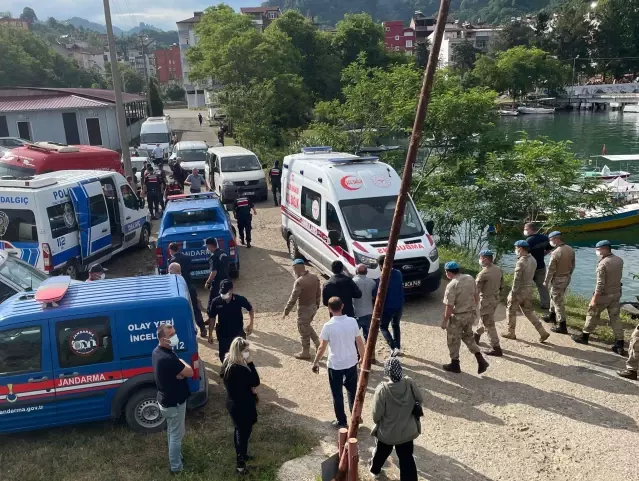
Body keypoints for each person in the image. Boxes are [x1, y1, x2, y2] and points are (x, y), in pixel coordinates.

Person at [312, 297, 365, 428]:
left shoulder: (328, 326)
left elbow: (322, 347)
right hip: (351, 361)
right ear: (342, 306)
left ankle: (342, 421)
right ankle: (355, 417)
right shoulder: (352, 322)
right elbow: (359, 342)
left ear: (329, 309)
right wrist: (362, 357)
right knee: (352, 391)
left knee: (337, 394)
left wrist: (315, 362)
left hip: (335, 364)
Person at [369, 357, 422, 481]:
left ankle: (375, 471)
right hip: (407, 431)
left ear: (387, 371)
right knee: (407, 458)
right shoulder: (409, 383)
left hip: (387, 432)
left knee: (381, 453)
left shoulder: (382, 390)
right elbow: (420, 399)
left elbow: (376, 415)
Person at [152, 323, 193, 475]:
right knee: (177, 434)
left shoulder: (157, 352)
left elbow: (181, 369)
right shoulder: (168, 358)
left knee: (172, 431)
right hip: (174, 403)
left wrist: (179, 370)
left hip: (165, 400)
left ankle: (176, 458)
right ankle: (176, 468)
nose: (175, 337)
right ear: (163, 339)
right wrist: (181, 369)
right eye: (171, 336)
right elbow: (190, 372)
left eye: (174, 333)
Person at [572, 240, 625, 355]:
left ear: (605, 249)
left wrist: (594, 299)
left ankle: (584, 336)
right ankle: (620, 343)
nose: (597, 252)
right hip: (616, 293)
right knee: (615, 318)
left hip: (604, 295)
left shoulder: (603, 264)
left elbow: (600, 284)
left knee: (592, 313)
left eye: (598, 249)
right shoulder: (619, 260)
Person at [220, 337, 260, 474]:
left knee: (239, 431)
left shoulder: (227, 364)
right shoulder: (239, 368)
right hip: (242, 405)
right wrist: (250, 363)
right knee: (243, 434)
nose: (248, 352)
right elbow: (255, 381)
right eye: (246, 350)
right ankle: (240, 466)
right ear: (239, 351)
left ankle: (243, 455)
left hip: (233, 403)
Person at [441, 261, 489, 374]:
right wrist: (474, 308)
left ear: (448, 272)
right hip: (470, 314)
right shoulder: (469, 278)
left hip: (458, 316)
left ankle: (455, 364)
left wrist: (444, 321)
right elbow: (476, 295)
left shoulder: (452, 285)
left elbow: (449, 306)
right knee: (468, 336)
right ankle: (480, 359)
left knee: (453, 339)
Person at [503, 241, 551, 343]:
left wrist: (513, 293)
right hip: (529, 289)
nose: (515, 250)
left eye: (516, 248)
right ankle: (542, 331)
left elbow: (517, 280)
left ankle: (510, 332)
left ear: (520, 248)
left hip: (520, 290)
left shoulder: (521, 262)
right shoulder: (533, 259)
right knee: (528, 311)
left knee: (511, 310)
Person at [283, 259, 322, 359]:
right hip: (313, 307)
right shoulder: (314, 277)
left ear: (296, 268)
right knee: (307, 325)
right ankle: (318, 344)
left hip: (304, 309)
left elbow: (293, 298)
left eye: (294, 269)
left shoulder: (299, 282)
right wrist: (317, 304)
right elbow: (318, 293)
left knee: (303, 330)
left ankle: (305, 352)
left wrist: (286, 311)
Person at [208, 280, 255, 363]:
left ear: (231, 290)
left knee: (243, 354)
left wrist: (251, 324)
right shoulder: (216, 302)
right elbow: (212, 318)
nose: (223, 294)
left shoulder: (239, 299)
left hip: (238, 332)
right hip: (223, 334)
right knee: (224, 357)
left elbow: (250, 309)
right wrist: (210, 334)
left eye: (225, 292)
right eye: (222, 292)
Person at [542, 231, 576, 334]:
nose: (550, 242)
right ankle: (552, 316)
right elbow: (573, 265)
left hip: (558, 279)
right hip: (566, 278)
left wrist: (546, 281)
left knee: (558, 301)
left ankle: (562, 325)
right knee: (554, 296)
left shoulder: (556, 253)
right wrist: (568, 274)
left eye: (551, 240)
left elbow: (550, 270)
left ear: (556, 239)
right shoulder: (570, 249)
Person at [473, 250, 504, 356]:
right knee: (486, 318)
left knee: (489, 323)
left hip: (486, 300)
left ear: (485, 259)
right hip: (495, 299)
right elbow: (502, 285)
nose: (480, 260)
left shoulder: (483, 274)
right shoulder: (498, 269)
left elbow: (476, 292)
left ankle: (496, 347)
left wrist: (473, 304)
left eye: (481, 258)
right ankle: (476, 336)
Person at [374, 255, 405, 357]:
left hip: (387, 307)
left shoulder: (381, 279)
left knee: (383, 327)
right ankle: (398, 347)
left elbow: (376, 294)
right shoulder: (398, 273)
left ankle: (393, 347)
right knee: (396, 325)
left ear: (380, 265)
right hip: (399, 305)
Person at [168, 262, 207, 338]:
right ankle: (201, 328)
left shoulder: (173, 279)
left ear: (175, 271)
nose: (168, 273)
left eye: (169, 272)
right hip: (191, 291)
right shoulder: (182, 277)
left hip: (181, 301)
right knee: (195, 310)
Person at [524, 223, 551, 311]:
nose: (524, 231)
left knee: (525, 284)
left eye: (526, 229)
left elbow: (523, 255)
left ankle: (525, 301)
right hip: (540, 265)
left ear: (531, 229)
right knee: (542, 286)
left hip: (529, 267)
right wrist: (542, 255)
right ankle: (546, 304)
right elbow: (550, 248)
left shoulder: (528, 241)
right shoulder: (544, 238)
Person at [352, 264, 376, 343]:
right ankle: (369, 353)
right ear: (367, 272)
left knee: (353, 336)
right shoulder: (372, 282)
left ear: (356, 271)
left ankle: (358, 353)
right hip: (369, 311)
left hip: (357, 313)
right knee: (368, 337)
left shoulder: (353, 282)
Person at [205, 237, 229, 311]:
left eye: (207, 246)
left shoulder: (213, 256)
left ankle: (211, 319)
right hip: (226, 281)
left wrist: (208, 282)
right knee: (225, 300)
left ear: (210, 246)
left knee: (212, 302)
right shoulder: (223, 253)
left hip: (217, 282)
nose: (207, 248)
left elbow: (214, 272)